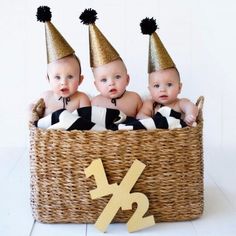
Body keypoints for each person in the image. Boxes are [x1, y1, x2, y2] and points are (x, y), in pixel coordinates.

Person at [29, 6, 90, 121]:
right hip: (49, 138)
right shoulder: (46, 96)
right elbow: (31, 107)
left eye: (70, 76)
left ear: (80, 80)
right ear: (48, 79)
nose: (63, 82)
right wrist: (30, 114)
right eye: (57, 77)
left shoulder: (82, 99)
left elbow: (88, 121)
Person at [79, 8, 142, 117]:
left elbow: (145, 121)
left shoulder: (134, 99)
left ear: (127, 79)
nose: (111, 83)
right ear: (96, 85)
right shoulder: (95, 103)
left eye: (117, 77)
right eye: (103, 80)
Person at [136, 17, 198, 126]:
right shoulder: (150, 104)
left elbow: (191, 107)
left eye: (169, 84)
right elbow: (140, 116)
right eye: (156, 86)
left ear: (179, 88)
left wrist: (189, 115)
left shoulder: (179, 103)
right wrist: (150, 122)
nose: (163, 90)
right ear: (150, 90)